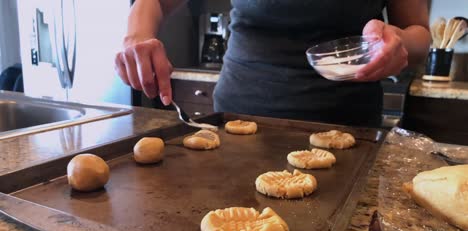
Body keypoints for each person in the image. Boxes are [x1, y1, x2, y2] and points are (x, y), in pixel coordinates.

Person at [115, 0, 430, 127]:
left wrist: (398, 40)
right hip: (239, 120)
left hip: (347, 126)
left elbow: (420, 35)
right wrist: (137, 38)